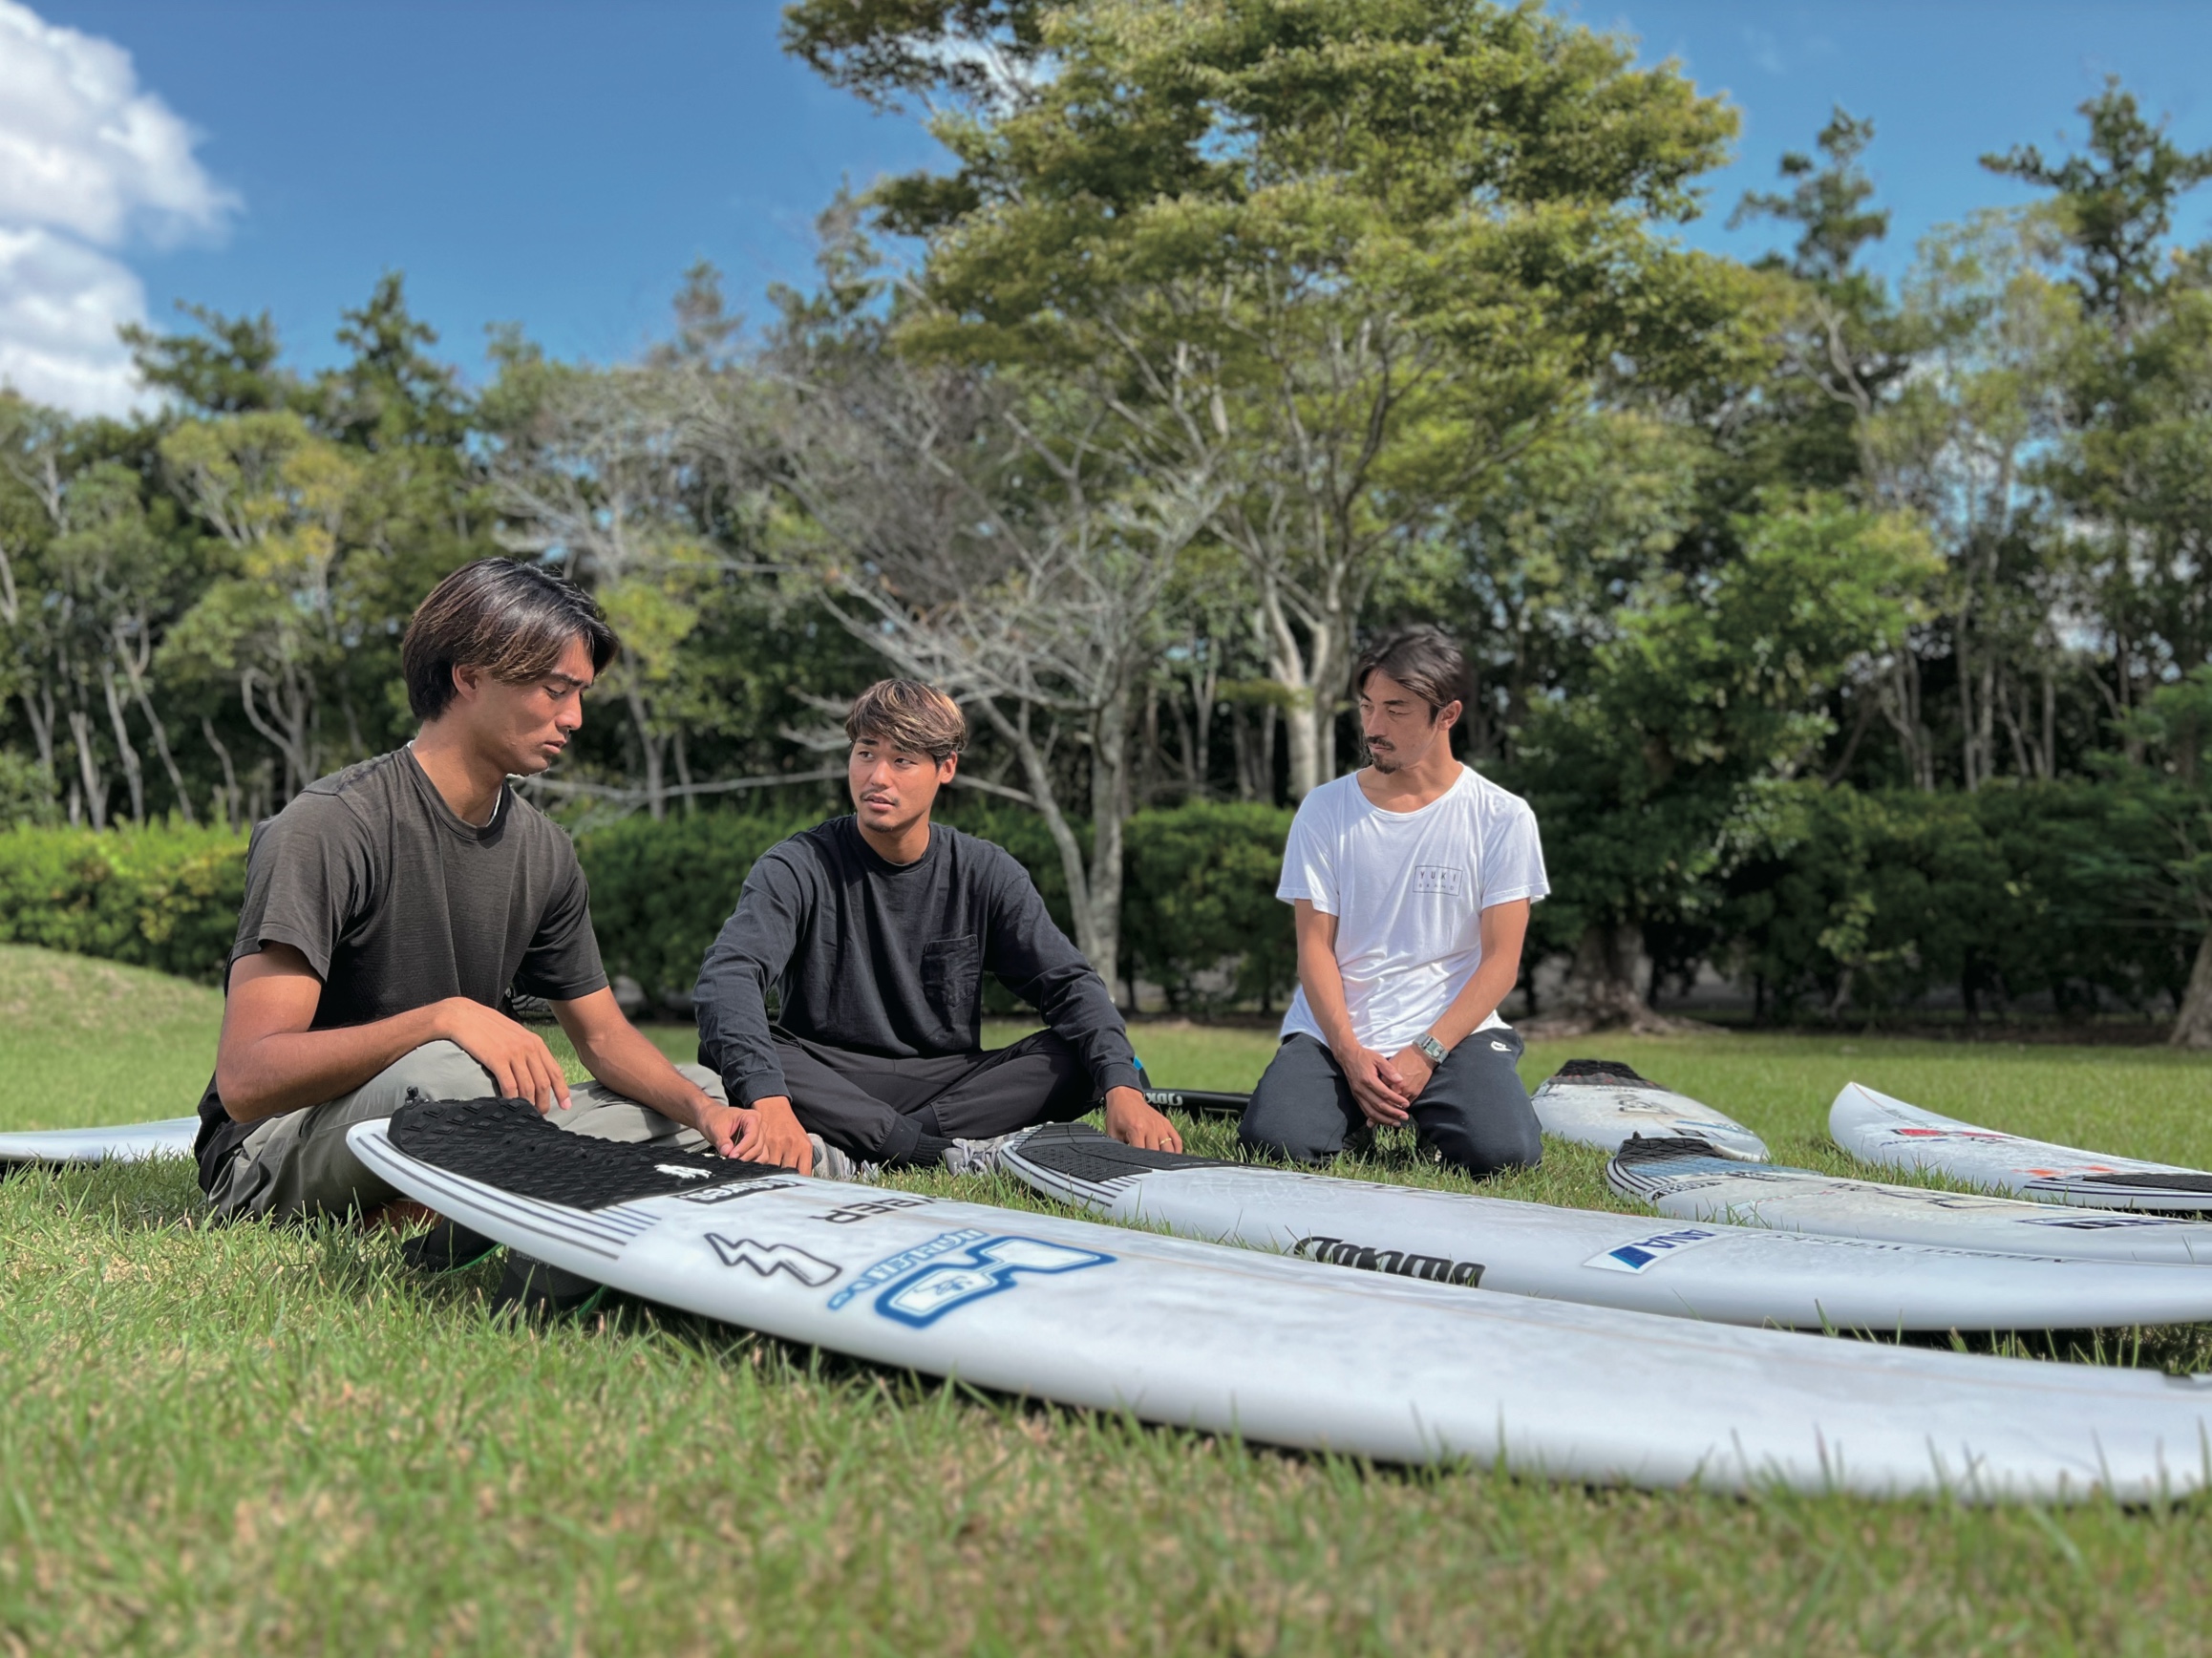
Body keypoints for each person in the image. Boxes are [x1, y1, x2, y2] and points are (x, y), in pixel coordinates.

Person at [197, 558, 782, 1228]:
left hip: (469, 1114)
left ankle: (467, 1195)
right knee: (449, 1074)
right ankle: (499, 1190)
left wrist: (706, 1114)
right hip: (276, 1149)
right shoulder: (329, 825)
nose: (576, 718)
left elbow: (602, 1039)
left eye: (581, 693)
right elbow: (247, 1080)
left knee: (698, 1092)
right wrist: (441, 1018)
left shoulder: (544, 850)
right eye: (555, 690)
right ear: (469, 677)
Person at [693, 679, 1183, 1174]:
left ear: (945, 767)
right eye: (865, 753)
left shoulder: (984, 871)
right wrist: (772, 1102)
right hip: (828, 1073)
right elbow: (727, 977)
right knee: (736, 1047)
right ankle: (928, 1151)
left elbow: (1070, 984)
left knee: (1079, 1058)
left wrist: (1123, 1087)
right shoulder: (797, 864)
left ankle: (871, 1142)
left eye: (902, 760)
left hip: (947, 1085)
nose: (876, 777)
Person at [1239, 627, 1547, 1177]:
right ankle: (1353, 1119)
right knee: (1274, 1143)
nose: (1374, 728)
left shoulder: (1502, 817)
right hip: (1338, 1032)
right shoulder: (1324, 810)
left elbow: (1501, 962)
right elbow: (1315, 948)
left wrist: (1426, 1052)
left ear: (1446, 715)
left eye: (1397, 711)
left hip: (1452, 1034)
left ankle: (1437, 1113)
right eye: (1367, 707)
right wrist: (1351, 1053)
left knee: (1504, 1155)